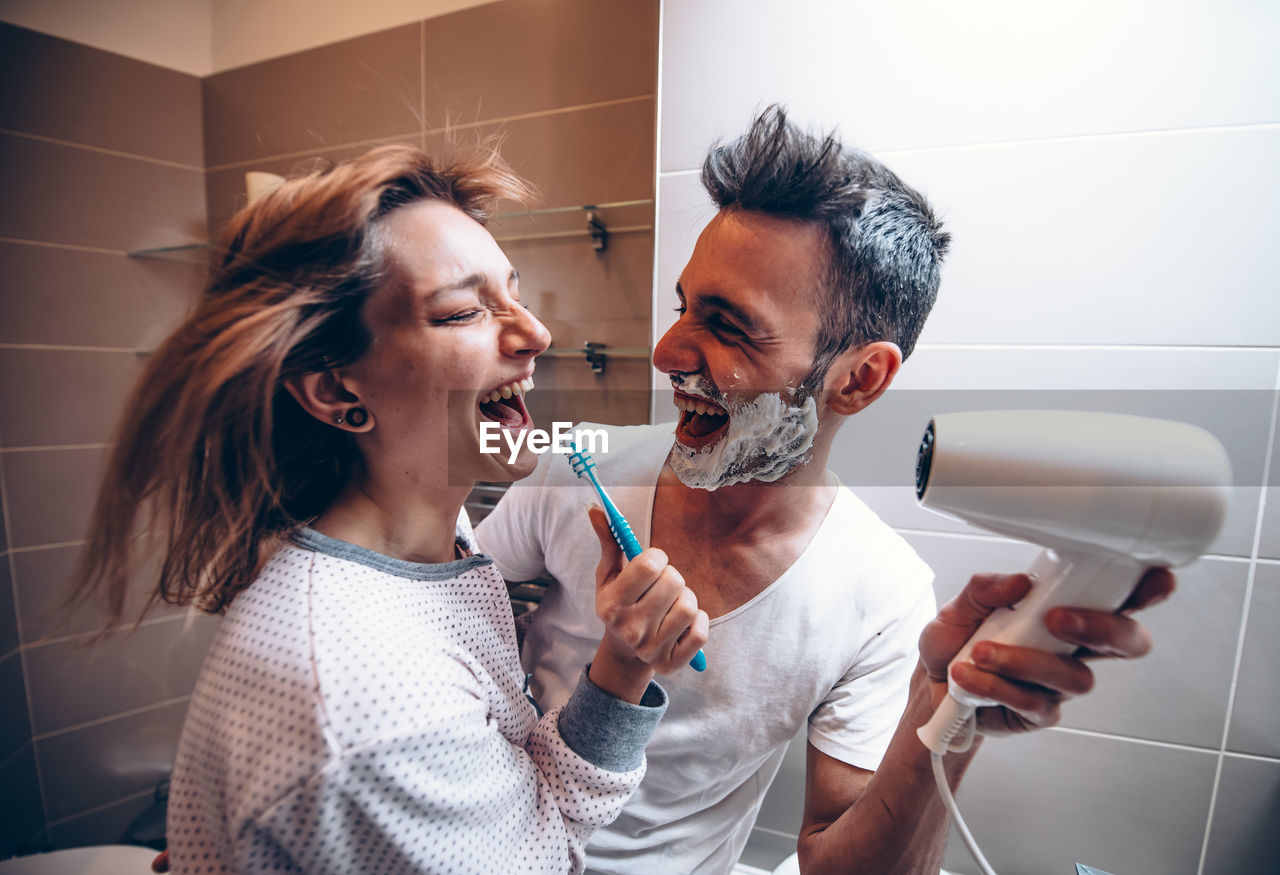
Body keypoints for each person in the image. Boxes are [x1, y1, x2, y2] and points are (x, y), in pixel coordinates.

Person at [475, 106, 1175, 874]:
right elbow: (447, 619)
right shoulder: (576, 464)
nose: (666, 352)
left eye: (729, 325)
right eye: (684, 307)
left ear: (860, 377)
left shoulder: (881, 594)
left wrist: (947, 713)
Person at [70, 144, 708, 874]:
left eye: (514, 290)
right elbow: (546, 859)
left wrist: (622, 659)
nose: (536, 334)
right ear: (339, 393)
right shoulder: (369, 701)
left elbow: (522, 819)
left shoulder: (426, 539)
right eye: (464, 310)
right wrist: (620, 677)